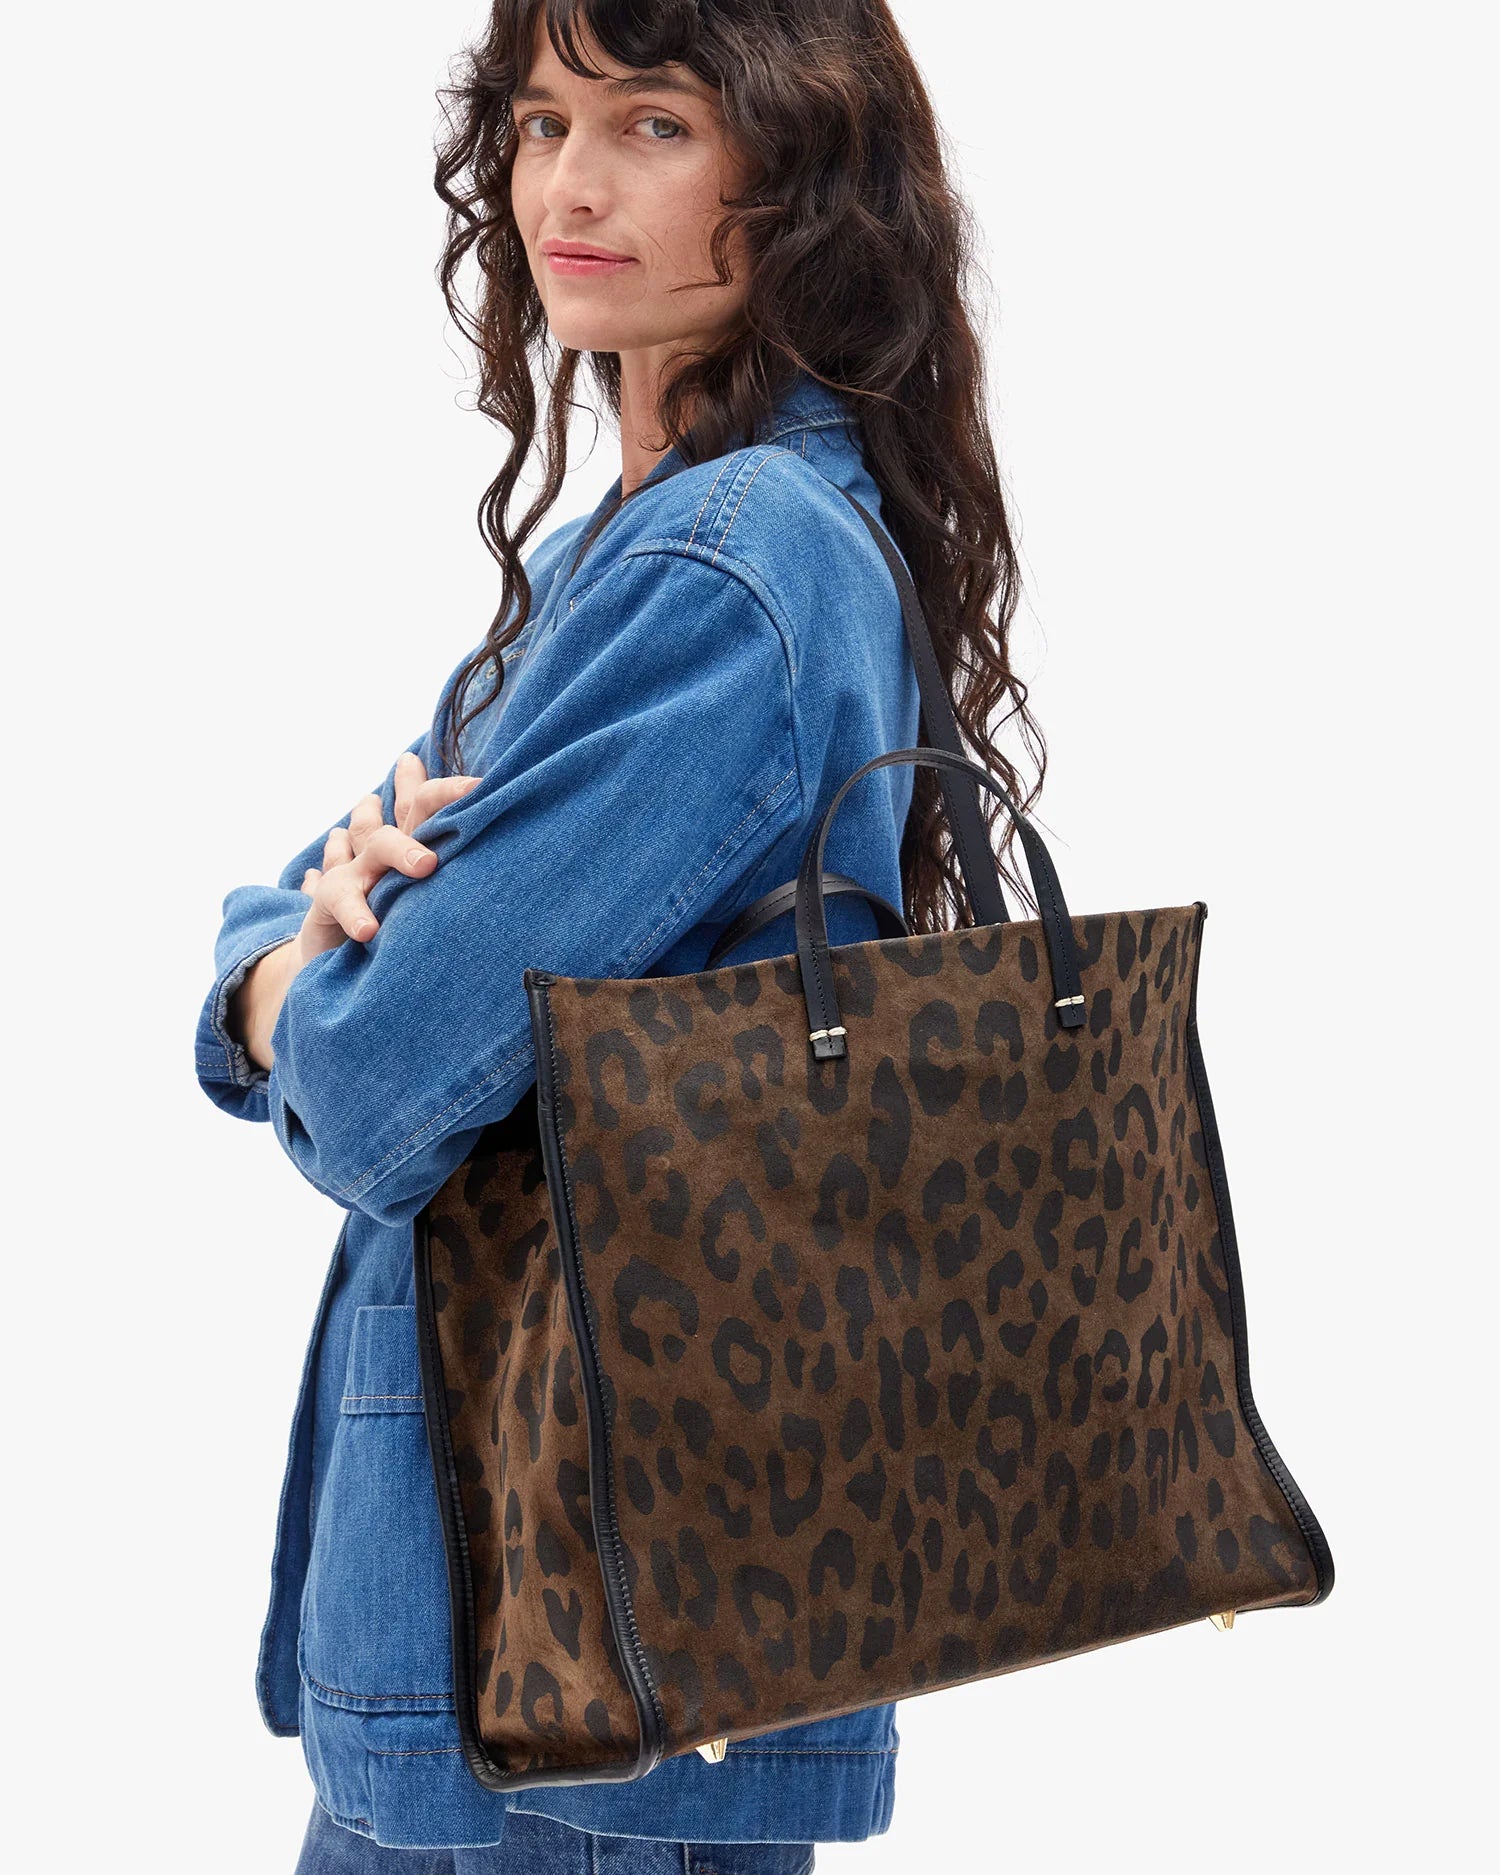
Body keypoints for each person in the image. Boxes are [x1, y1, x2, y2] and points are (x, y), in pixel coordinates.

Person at [194, 2, 1043, 1867]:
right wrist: (304, 939)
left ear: (799, 168)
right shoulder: (652, 548)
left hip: (577, 1670)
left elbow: (377, 1073)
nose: (568, 187)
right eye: (540, 119)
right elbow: (339, 877)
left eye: (654, 123)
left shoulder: (723, 563)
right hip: (639, 1650)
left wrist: (267, 986)